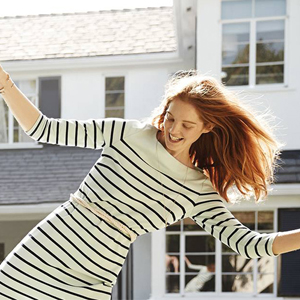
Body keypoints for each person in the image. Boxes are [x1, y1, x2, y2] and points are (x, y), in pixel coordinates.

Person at [0, 64, 300, 300]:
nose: (173, 130)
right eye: (170, 118)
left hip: (93, 279)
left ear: (207, 127)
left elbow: (250, 245)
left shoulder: (198, 190)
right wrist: (6, 84)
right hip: (41, 255)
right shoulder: (128, 133)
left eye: (187, 125)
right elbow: (43, 129)